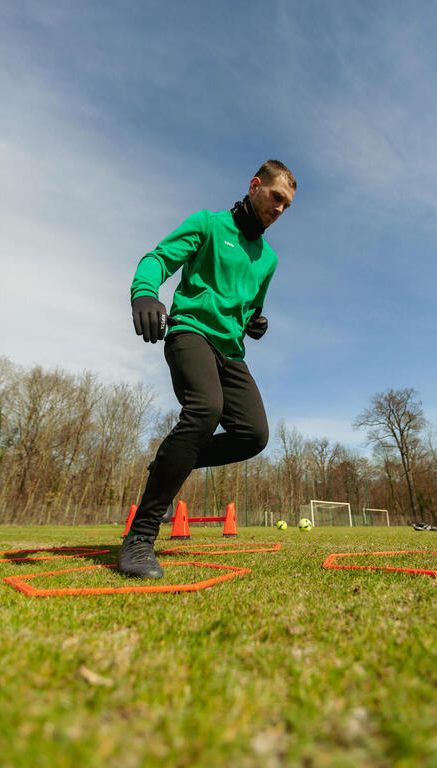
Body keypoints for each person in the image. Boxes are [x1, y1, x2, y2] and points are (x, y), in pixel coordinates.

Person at [119, 160, 297, 578]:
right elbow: (158, 259)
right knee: (205, 410)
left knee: (254, 435)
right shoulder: (208, 224)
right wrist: (145, 294)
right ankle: (141, 537)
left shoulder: (267, 259)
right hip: (191, 332)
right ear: (255, 186)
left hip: (231, 352)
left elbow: (252, 305)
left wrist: (255, 321)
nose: (280, 210)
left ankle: (171, 461)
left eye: (287, 206)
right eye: (276, 198)